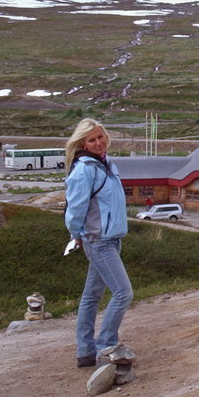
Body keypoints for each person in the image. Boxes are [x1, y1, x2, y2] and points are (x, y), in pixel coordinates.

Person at [64, 118, 133, 368]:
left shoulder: (106, 164)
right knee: (123, 293)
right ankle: (106, 346)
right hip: (99, 240)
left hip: (111, 238)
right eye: (92, 140)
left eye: (100, 137)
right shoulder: (85, 169)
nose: (98, 142)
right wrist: (76, 234)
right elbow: (75, 209)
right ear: (83, 143)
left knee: (91, 295)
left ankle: (85, 352)